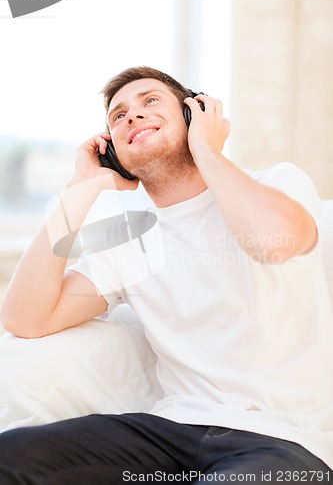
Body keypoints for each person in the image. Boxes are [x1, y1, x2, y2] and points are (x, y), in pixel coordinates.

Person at [0, 66, 332, 484]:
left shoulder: (279, 182)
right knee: (12, 455)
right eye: (118, 116)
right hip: (171, 431)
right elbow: (26, 319)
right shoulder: (128, 242)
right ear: (113, 153)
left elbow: (270, 242)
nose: (131, 117)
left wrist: (208, 150)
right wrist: (80, 187)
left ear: (194, 114)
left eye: (150, 102)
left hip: (285, 441)